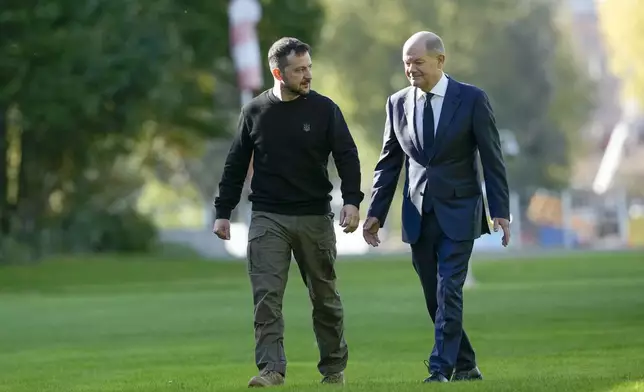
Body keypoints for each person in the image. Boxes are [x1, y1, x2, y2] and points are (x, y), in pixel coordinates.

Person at [213, 37, 363, 387]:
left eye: (309, 67)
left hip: (315, 217)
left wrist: (353, 201)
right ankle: (271, 370)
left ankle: (333, 369)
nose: (307, 75)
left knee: (325, 299)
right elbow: (235, 164)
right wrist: (223, 211)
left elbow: (347, 156)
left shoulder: (325, 110)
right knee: (266, 298)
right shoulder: (254, 112)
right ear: (278, 72)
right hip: (268, 217)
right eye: (299, 70)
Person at [362, 31, 511, 383]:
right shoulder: (397, 103)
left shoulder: (471, 99)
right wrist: (375, 214)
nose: (411, 69)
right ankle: (466, 363)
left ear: (440, 61)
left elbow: (493, 159)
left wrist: (500, 210)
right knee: (434, 296)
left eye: (418, 62)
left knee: (449, 289)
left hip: (460, 212)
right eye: (406, 63)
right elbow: (388, 164)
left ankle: (440, 369)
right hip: (417, 215)